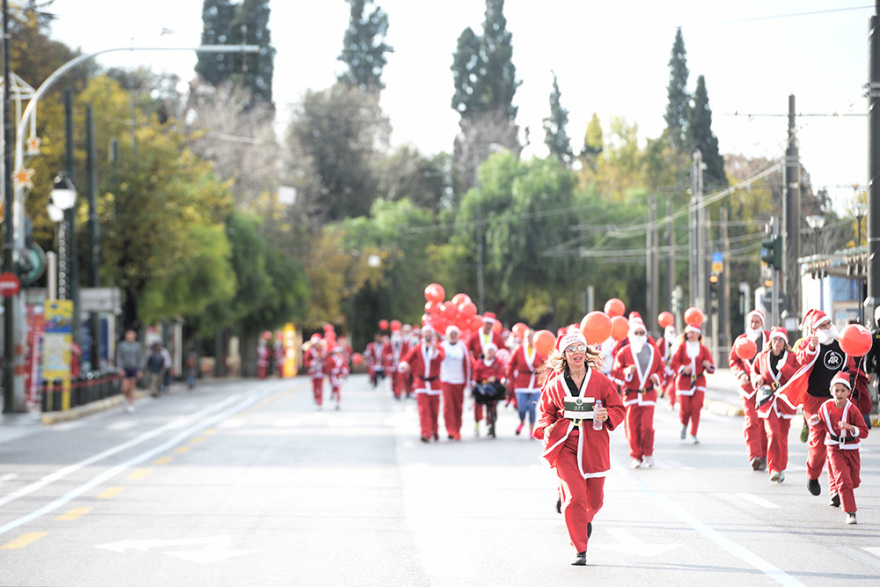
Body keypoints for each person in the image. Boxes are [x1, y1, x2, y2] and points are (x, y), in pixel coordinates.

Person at [534, 331, 625, 567]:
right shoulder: (554, 384)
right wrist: (546, 428)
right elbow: (545, 413)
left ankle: (584, 519)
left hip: (594, 444)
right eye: (571, 348)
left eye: (580, 347)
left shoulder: (601, 382)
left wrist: (607, 415)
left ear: (586, 352)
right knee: (575, 497)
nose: (576, 352)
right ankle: (580, 549)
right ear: (564, 355)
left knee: (594, 500)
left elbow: (618, 408)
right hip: (564, 444)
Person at [776, 309, 870, 499]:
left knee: (836, 444)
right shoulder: (808, 344)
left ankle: (835, 489)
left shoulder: (842, 343)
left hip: (837, 399)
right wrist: (811, 346)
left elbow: (850, 363)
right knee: (818, 444)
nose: (828, 327)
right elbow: (801, 359)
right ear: (814, 329)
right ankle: (812, 475)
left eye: (828, 324)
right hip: (814, 401)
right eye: (822, 325)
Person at [807, 372, 869, 524]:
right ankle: (851, 512)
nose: (839, 393)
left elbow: (864, 431)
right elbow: (820, 427)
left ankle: (837, 489)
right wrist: (815, 422)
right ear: (831, 392)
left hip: (852, 447)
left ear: (849, 392)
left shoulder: (853, 409)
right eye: (836, 390)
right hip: (834, 448)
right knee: (844, 480)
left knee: (853, 480)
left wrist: (850, 427)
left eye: (843, 390)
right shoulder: (825, 407)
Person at [612, 317, 664, 468]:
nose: (639, 335)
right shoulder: (624, 352)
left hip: (648, 394)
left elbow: (661, 369)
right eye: (636, 332)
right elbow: (616, 372)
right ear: (630, 335)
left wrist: (657, 377)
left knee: (647, 427)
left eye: (642, 333)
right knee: (632, 428)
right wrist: (626, 372)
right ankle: (636, 456)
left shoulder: (653, 351)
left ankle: (648, 453)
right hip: (632, 395)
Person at [751, 327, 801, 483]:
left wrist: (784, 368)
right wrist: (757, 378)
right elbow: (754, 372)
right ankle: (773, 468)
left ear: (785, 342)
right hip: (768, 401)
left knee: (783, 437)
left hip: (785, 401)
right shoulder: (762, 356)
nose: (777, 343)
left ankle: (781, 467)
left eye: (780, 340)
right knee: (772, 433)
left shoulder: (792, 357)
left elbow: (797, 377)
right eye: (774, 339)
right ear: (770, 341)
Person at [729, 309, 770, 471]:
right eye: (751, 322)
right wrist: (740, 374)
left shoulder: (769, 338)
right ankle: (755, 456)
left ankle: (765, 454)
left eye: (757, 322)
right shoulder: (741, 340)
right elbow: (733, 360)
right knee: (751, 420)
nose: (754, 325)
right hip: (747, 388)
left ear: (762, 323)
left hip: (765, 387)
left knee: (763, 421)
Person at [670, 323, 716, 444]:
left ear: (698, 334)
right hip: (683, 382)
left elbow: (712, 367)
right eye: (689, 333)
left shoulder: (703, 349)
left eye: (693, 332)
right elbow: (674, 364)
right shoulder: (681, 348)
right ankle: (684, 425)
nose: (691, 335)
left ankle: (694, 433)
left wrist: (708, 365)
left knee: (696, 407)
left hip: (699, 381)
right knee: (685, 409)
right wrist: (683, 368)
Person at [400, 325, 445, 442]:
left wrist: (434, 350)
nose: (427, 335)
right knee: (423, 409)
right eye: (425, 333)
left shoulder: (438, 347)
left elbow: (441, 358)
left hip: (434, 383)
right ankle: (425, 433)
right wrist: (404, 364)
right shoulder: (417, 347)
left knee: (434, 410)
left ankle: (434, 430)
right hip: (421, 383)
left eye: (429, 333)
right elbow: (406, 358)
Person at [506, 328, 546, 438]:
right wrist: (508, 378)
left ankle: (531, 429)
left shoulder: (539, 350)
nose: (530, 339)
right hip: (521, 383)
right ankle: (522, 422)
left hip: (535, 383)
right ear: (525, 338)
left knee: (532, 408)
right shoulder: (518, 350)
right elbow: (511, 365)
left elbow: (546, 365)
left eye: (532, 336)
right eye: (528, 336)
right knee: (522, 408)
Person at [440, 325, 470, 440]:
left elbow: (467, 364)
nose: (452, 336)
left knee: (458, 406)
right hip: (446, 379)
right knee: (448, 405)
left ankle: (457, 429)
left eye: (455, 334)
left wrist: (468, 381)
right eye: (450, 334)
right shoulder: (442, 346)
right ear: (447, 335)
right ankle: (450, 429)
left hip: (459, 380)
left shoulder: (462, 346)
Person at [471, 342, 505, 438]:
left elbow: (501, 374)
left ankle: (491, 422)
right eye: (488, 351)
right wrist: (473, 382)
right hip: (482, 386)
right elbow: (475, 374)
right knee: (477, 404)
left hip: (493, 387)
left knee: (493, 403)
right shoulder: (479, 362)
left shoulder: (498, 362)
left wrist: (498, 379)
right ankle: (477, 422)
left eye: (492, 351)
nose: (490, 353)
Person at [116, 329, 143, 413]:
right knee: (125, 387)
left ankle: (131, 404)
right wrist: (120, 368)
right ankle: (127, 398)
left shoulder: (137, 346)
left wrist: (140, 369)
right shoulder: (122, 345)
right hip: (125, 368)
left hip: (134, 368)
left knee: (132, 387)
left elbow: (140, 357)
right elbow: (119, 357)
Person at [304, 334, 326, 409]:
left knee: (320, 387)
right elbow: (306, 361)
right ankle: (316, 397)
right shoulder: (310, 351)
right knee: (314, 387)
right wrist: (312, 363)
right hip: (313, 371)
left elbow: (326, 360)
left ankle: (320, 402)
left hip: (321, 371)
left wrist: (325, 364)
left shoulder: (323, 351)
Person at [325, 346, 349, 410]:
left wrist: (345, 371)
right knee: (334, 387)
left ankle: (338, 403)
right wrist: (333, 370)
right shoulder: (331, 359)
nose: (339, 353)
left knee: (338, 389)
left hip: (339, 376)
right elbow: (328, 368)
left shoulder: (342, 359)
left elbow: (345, 366)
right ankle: (332, 394)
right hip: (333, 376)